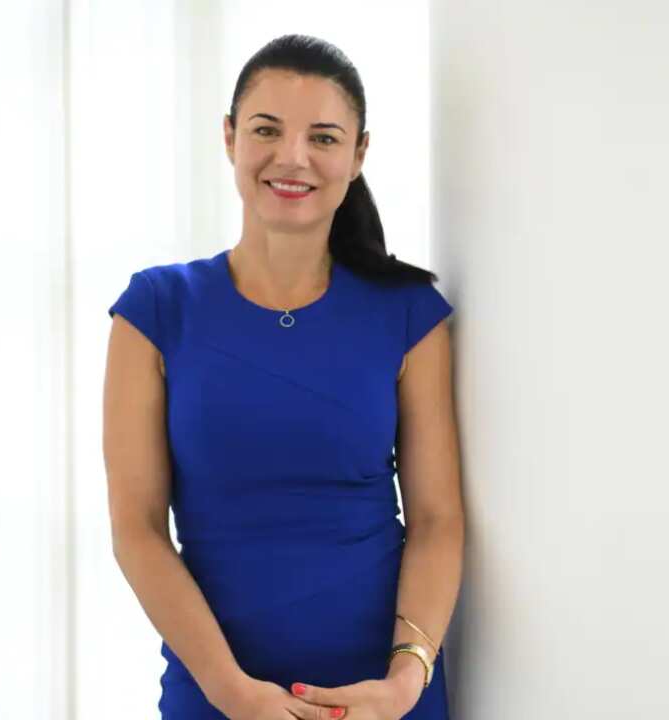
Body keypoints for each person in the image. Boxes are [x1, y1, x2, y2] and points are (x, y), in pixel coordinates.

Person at [103, 34, 463, 720]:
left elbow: (439, 520)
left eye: (324, 137)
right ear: (231, 137)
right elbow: (138, 529)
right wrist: (232, 692)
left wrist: (403, 683)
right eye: (267, 130)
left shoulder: (410, 314)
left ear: (358, 155)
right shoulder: (155, 310)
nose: (292, 157)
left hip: (382, 700)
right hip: (217, 693)